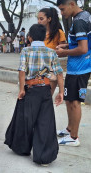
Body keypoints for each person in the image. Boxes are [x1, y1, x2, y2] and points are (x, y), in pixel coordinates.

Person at [4, 24, 64, 166]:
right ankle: (44, 157)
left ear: (29, 37)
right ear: (45, 37)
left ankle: (23, 148)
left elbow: (22, 71)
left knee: (25, 120)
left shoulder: (26, 50)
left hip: (30, 89)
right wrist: (60, 92)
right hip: (45, 90)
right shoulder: (51, 52)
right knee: (45, 122)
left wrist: (21, 89)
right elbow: (59, 73)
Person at [56, 0, 91, 146]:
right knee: (69, 99)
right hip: (77, 68)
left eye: (63, 10)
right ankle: (70, 129)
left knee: (75, 101)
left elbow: (83, 49)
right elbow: (81, 42)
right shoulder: (84, 16)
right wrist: (66, 45)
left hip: (80, 68)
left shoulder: (79, 21)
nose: (62, 13)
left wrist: (64, 52)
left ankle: (74, 138)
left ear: (71, 3)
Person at [38, 7, 67, 95]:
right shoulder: (37, 32)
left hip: (51, 69)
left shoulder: (59, 33)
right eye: (38, 19)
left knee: (47, 98)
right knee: (37, 99)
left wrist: (59, 49)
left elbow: (62, 52)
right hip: (37, 69)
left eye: (41, 19)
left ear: (49, 19)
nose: (39, 21)